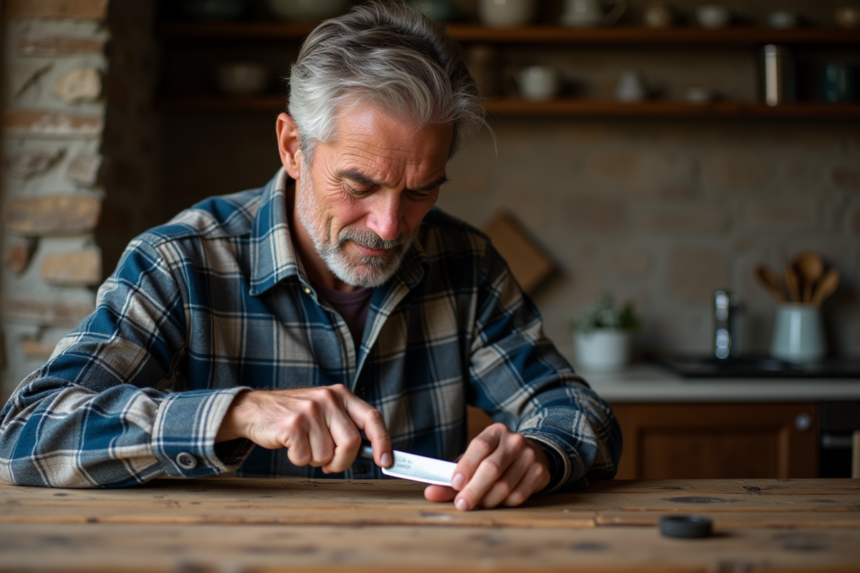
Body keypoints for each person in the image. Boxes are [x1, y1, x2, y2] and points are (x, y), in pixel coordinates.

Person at [0, 1, 621, 511]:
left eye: (420, 190)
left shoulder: (467, 264)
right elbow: (27, 434)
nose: (388, 225)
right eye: (359, 185)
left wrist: (538, 453)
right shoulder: (179, 263)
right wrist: (237, 412)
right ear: (293, 147)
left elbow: (580, 414)